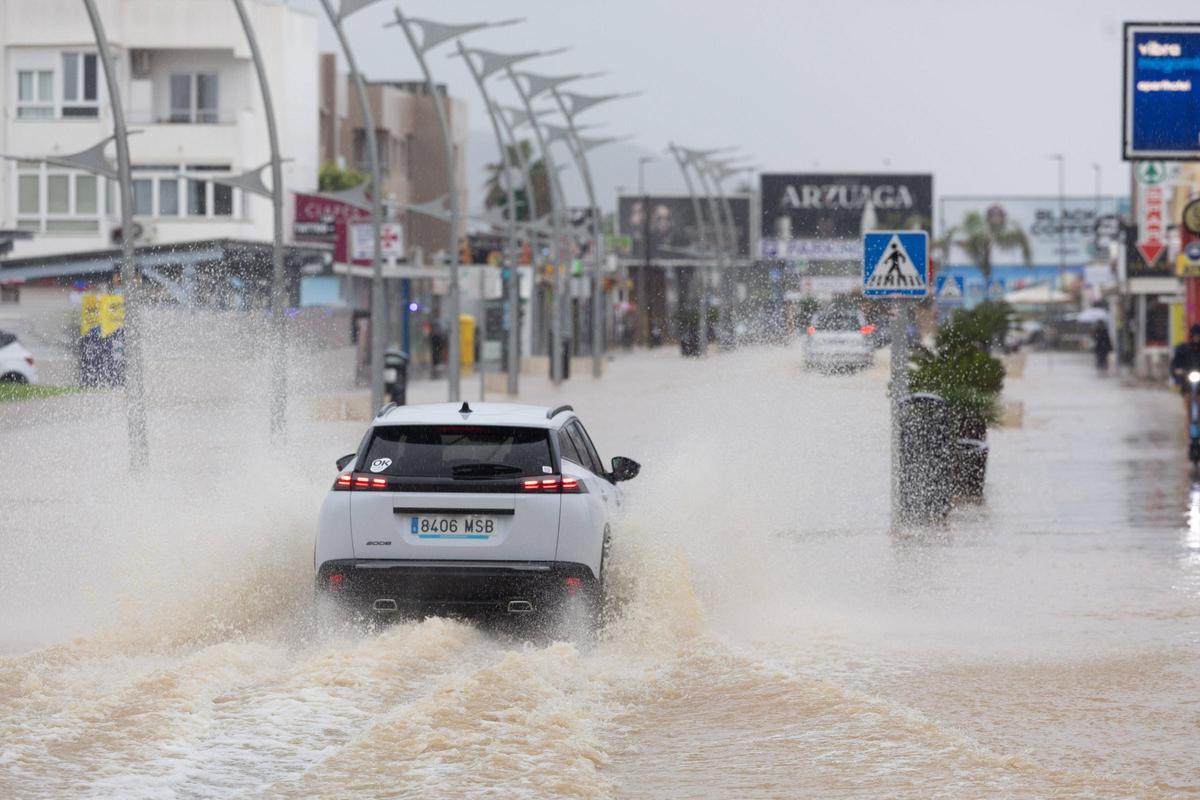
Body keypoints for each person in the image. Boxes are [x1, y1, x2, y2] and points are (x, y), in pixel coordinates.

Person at [1170, 324, 1200, 425]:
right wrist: (1177, 371)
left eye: (1198, 335)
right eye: (1195, 335)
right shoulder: (1183, 349)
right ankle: (1188, 436)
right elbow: (1175, 363)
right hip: (1187, 384)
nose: (1197, 338)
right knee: (1189, 411)